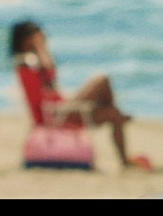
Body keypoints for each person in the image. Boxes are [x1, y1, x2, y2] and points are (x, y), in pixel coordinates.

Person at [10, 20, 152, 172]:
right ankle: (115, 111)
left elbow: (50, 78)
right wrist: (41, 48)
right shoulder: (26, 62)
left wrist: (42, 50)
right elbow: (46, 84)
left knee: (113, 114)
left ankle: (125, 162)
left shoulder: (33, 62)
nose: (44, 38)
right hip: (55, 114)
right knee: (102, 80)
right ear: (27, 40)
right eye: (38, 35)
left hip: (61, 110)